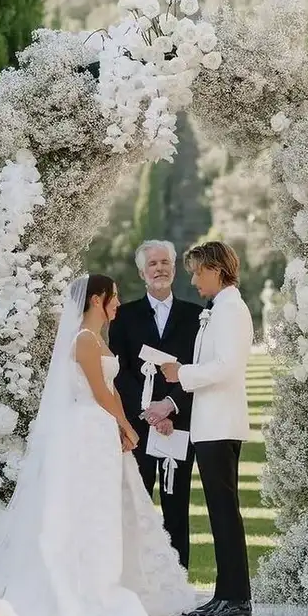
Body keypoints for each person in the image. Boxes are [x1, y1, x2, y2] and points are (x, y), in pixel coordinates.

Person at [0, 273, 195, 616]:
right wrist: (127, 425)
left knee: (108, 508)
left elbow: (113, 387)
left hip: (103, 429)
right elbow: (100, 395)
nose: (118, 304)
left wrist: (121, 421)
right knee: (90, 509)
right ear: (98, 298)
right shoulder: (83, 340)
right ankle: (89, 586)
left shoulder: (99, 340)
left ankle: (110, 576)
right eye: (114, 298)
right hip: (88, 428)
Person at [161, 241, 254, 616]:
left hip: (220, 425)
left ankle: (235, 598)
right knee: (220, 513)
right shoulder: (219, 309)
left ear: (216, 269)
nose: (194, 280)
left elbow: (227, 367)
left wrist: (181, 374)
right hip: (210, 424)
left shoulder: (231, 310)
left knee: (224, 513)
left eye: (198, 272)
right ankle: (226, 594)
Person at [109, 241, 201, 569]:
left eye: (165, 263)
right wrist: (150, 412)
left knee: (177, 506)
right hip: (139, 426)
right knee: (137, 504)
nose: (160, 268)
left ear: (174, 269)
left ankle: (178, 581)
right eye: (153, 264)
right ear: (141, 272)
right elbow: (120, 374)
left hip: (179, 422)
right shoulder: (124, 316)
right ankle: (135, 577)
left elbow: (197, 369)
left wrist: (170, 407)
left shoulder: (196, 317)